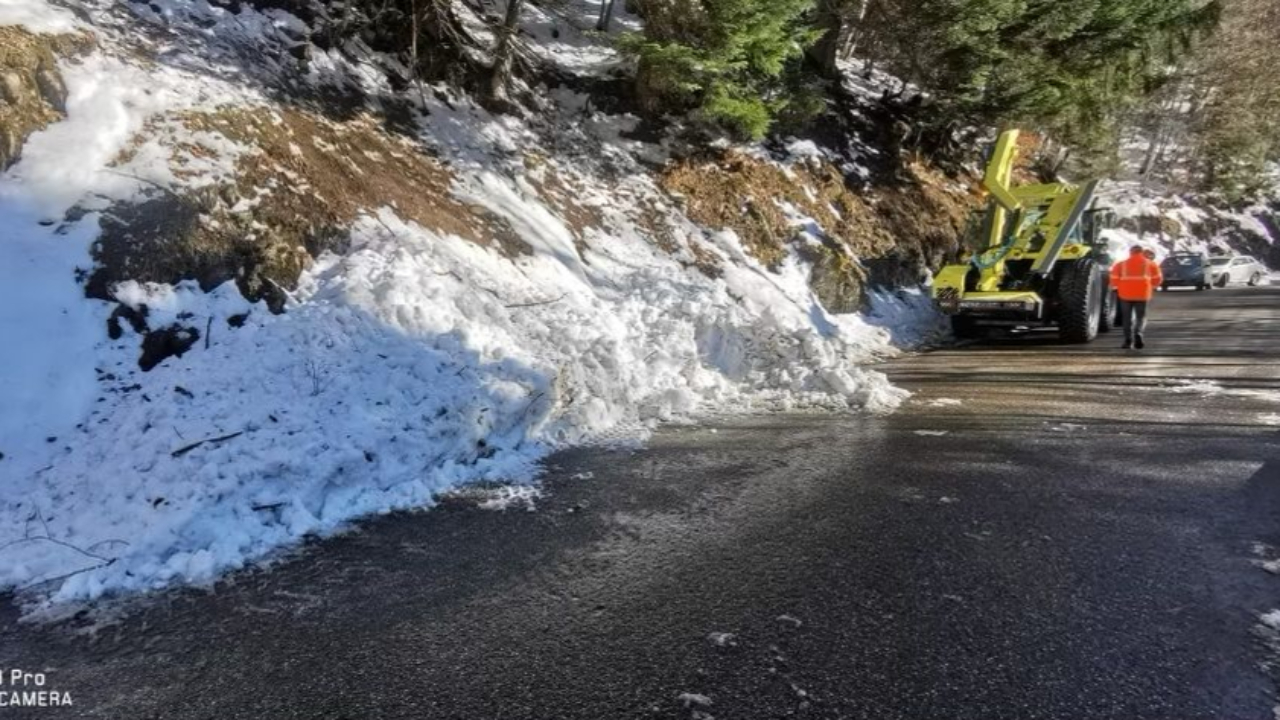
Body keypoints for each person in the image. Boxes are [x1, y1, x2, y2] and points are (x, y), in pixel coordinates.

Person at [1109, 245, 1164, 350]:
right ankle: (1138, 333)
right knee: (1141, 317)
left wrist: (1117, 287)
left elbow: (1113, 278)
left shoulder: (1121, 264)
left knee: (1127, 318)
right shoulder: (1150, 264)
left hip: (1125, 295)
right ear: (1142, 252)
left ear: (1130, 252)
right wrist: (1152, 286)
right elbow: (1157, 279)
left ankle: (1128, 341)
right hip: (1142, 294)